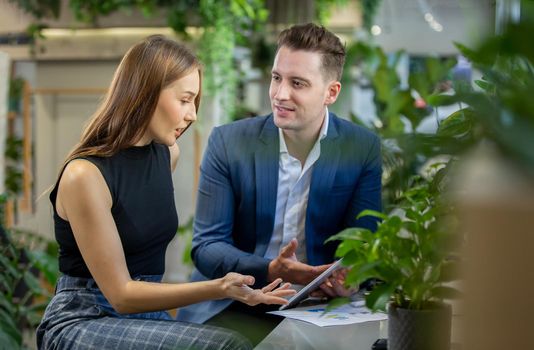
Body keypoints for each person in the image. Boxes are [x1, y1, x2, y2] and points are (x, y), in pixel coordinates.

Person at [36, 35, 295, 350]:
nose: (192, 115)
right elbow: (121, 295)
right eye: (185, 99)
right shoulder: (84, 175)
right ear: (144, 94)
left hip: (144, 314)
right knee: (226, 345)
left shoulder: (167, 154)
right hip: (85, 317)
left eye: (194, 102)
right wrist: (220, 287)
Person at [177, 23, 382, 344]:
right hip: (235, 301)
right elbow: (207, 247)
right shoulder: (229, 142)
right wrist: (271, 269)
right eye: (276, 78)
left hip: (318, 306)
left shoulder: (361, 147)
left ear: (331, 92)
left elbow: (364, 243)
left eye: (297, 83)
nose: (280, 94)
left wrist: (351, 279)